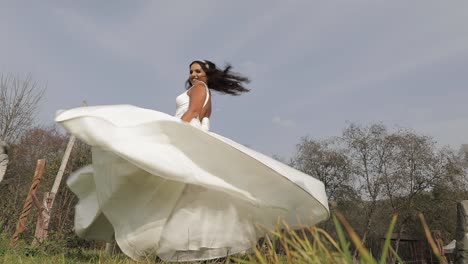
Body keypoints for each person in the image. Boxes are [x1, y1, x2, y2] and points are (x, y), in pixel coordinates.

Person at [55, 60, 329, 262]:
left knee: (158, 169)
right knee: (188, 189)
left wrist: (174, 132)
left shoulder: (199, 89)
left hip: (186, 130)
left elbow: (194, 112)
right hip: (192, 129)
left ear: (206, 75)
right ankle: (179, 245)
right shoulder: (201, 89)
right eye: (191, 71)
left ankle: (162, 240)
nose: (193, 74)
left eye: (198, 71)